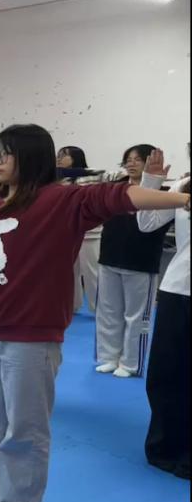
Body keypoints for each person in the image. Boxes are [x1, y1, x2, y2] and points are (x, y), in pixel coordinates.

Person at [0, 124, 190, 502]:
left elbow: (120, 196)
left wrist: (181, 198)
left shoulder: (63, 200)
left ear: (30, 157)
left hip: (30, 335)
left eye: (4, 153)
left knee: (25, 429)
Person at [95, 144, 169, 378]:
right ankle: (109, 357)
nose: (131, 163)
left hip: (141, 262)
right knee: (108, 312)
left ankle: (130, 363)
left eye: (137, 159)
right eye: (128, 159)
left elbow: (153, 225)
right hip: (110, 257)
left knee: (136, 316)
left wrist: (152, 183)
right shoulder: (115, 188)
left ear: (149, 162)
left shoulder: (163, 193)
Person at [139, 147, 190, 480]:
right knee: (166, 373)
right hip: (177, 289)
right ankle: (164, 446)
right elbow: (146, 224)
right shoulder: (183, 186)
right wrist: (152, 181)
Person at [57, 145, 105, 314]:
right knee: (69, 272)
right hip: (67, 231)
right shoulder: (58, 179)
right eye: (58, 155)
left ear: (75, 158)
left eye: (63, 155)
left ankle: (98, 307)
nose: (59, 159)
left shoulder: (92, 176)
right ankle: (72, 305)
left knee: (92, 272)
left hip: (90, 233)